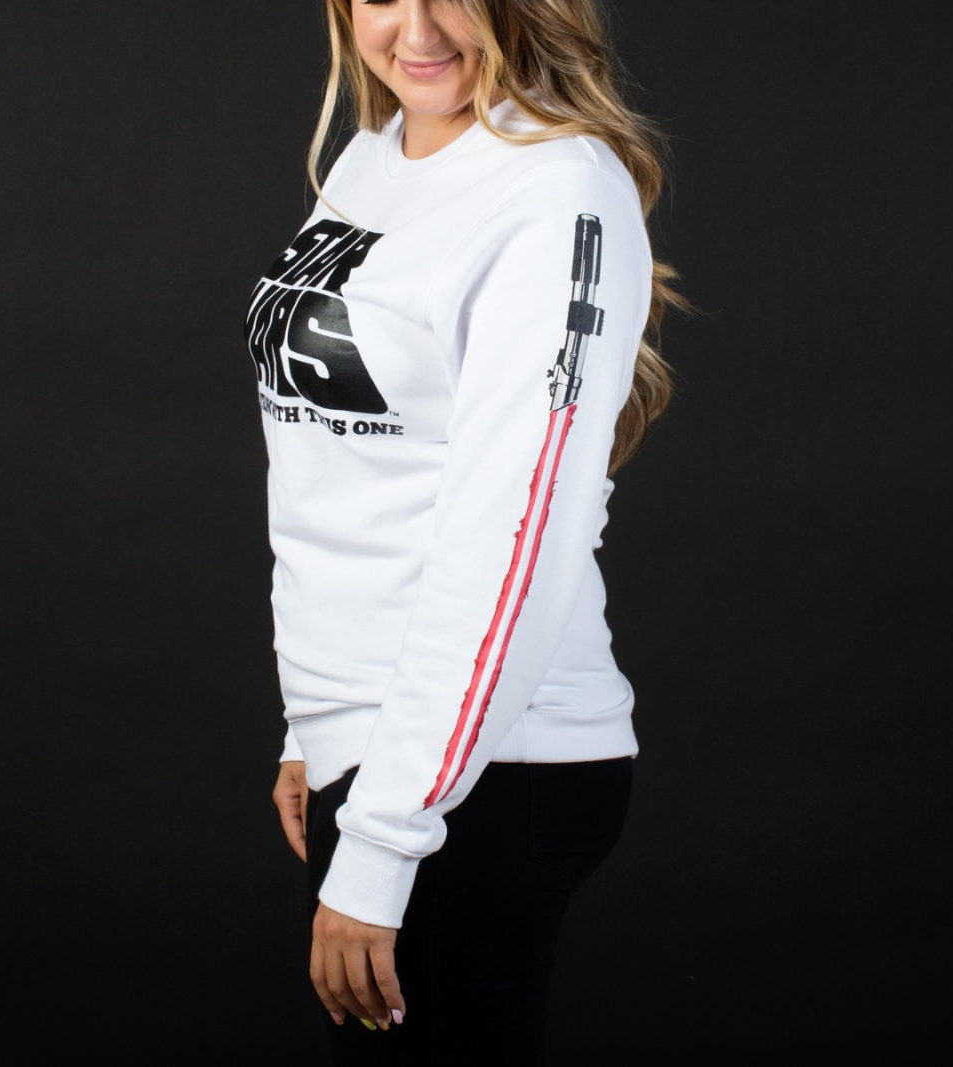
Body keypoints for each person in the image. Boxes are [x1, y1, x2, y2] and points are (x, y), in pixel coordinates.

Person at [246, 1, 690, 1060]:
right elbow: (333, 473)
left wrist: (385, 835)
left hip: (489, 769)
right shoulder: (377, 152)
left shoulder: (556, 188)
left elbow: (513, 542)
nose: (419, 30)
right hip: (383, 743)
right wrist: (315, 727)